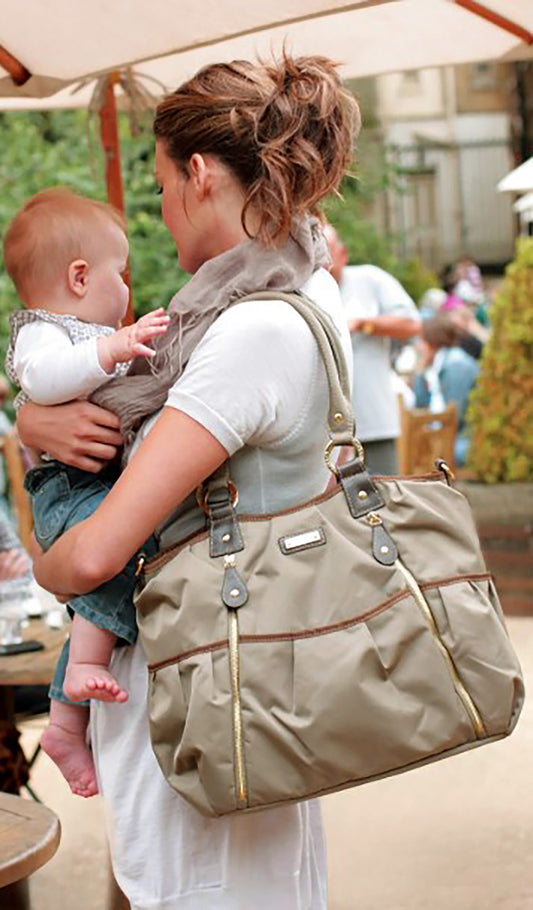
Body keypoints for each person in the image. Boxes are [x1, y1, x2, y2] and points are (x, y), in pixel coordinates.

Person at [18, 55, 358, 910]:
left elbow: (93, 553)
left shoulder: (247, 335)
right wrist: (37, 422)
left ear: (198, 174)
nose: (162, 213)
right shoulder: (292, 301)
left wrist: (42, 522)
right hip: (245, 699)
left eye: (163, 184)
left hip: (209, 703)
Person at [3, 188, 170, 797]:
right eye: (118, 274)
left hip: (89, 486)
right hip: (68, 491)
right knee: (124, 555)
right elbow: (44, 381)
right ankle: (84, 670)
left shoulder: (87, 333)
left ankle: (66, 722)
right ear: (79, 276)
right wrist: (113, 349)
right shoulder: (42, 335)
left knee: (104, 589)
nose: (126, 290)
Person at [324, 224, 421, 474]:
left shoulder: (370, 279)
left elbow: (412, 324)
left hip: (374, 421)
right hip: (324, 436)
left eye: (327, 250)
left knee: (385, 502)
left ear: (342, 254)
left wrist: (364, 324)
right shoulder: (304, 290)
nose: (321, 259)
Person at [414, 313, 479, 466]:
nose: (418, 346)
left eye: (421, 340)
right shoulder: (436, 366)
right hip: (449, 437)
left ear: (433, 341)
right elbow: (420, 405)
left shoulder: (457, 366)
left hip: (464, 440)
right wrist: (420, 372)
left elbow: (455, 416)